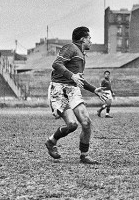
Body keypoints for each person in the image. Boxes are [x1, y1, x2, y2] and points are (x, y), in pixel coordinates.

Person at [45, 26, 106, 164]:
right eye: (89, 38)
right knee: (72, 124)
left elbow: (78, 79)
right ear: (83, 39)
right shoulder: (70, 47)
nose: (91, 41)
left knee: (86, 122)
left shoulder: (81, 54)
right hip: (59, 90)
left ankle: (84, 155)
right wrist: (72, 76)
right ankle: (51, 141)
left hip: (73, 90)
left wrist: (94, 90)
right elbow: (56, 64)